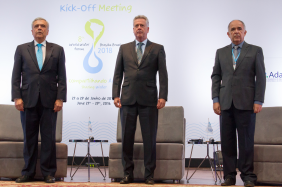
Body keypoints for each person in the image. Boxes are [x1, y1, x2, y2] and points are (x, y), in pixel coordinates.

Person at [112, 15, 168, 185]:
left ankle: (149, 174)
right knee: (126, 138)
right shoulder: (124, 48)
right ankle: (127, 174)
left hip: (149, 100)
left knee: (149, 138)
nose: (139, 28)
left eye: (142, 25)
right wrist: (115, 94)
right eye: (136, 25)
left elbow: (163, 75)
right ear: (133, 28)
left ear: (147, 29)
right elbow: (117, 74)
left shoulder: (157, 48)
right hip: (127, 99)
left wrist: (163, 96)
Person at [11, 17, 67, 183]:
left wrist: (60, 98)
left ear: (47, 31)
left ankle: (48, 173)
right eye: (36, 26)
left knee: (49, 138)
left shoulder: (57, 50)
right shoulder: (21, 49)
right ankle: (28, 172)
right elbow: (15, 76)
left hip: (50, 101)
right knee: (29, 138)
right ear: (32, 31)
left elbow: (62, 77)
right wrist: (17, 97)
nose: (39, 28)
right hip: (27, 101)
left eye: (43, 26)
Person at [211, 20, 266, 187]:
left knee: (246, 141)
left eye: (239, 29)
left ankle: (248, 176)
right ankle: (229, 176)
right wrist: (215, 99)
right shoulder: (220, 52)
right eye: (233, 29)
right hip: (226, 103)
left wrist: (258, 100)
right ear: (228, 33)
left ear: (245, 32)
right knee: (227, 142)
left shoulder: (255, 51)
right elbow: (216, 77)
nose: (236, 32)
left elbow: (261, 77)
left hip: (247, 104)